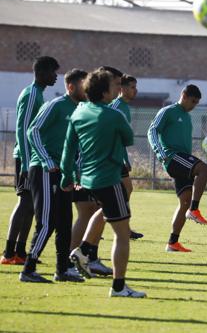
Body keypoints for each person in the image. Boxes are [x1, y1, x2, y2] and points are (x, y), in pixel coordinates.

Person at [62, 69, 145, 297]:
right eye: (114, 85)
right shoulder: (113, 115)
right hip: (109, 178)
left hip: (88, 180)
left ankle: (85, 250)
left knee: (103, 213)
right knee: (121, 232)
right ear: (104, 90)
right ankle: (118, 287)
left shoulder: (79, 111)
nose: (118, 89)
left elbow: (68, 148)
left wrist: (66, 177)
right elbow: (128, 138)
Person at [19, 68, 88, 283]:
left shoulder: (81, 110)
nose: (87, 89)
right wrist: (47, 160)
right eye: (83, 85)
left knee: (65, 222)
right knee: (46, 222)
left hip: (63, 174)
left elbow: (77, 146)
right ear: (71, 87)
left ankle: (62, 270)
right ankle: (28, 270)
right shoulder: (56, 105)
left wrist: (75, 172)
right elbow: (33, 131)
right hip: (43, 170)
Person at [1, 56, 58, 266]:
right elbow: (23, 129)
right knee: (24, 203)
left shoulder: (39, 94)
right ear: (42, 72)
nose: (56, 76)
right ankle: (8, 252)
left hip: (31, 158)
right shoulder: (32, 94)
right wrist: (25, 163)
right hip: (25, 158)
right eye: (53, 72)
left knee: (31, 205)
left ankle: (20, 252)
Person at [70, 66, 123, 277]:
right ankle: (71, 261)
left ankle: (89, 258)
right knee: (87, 213)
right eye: (116, 84)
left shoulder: (105, 108)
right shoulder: (89, 108)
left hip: (95, 171)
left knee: (96, 212)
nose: (119, 89)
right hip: (89, 171)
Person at [148, 85, 207, 252]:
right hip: (172, 157)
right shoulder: (168, 111)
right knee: (204, 170)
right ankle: (195, 208)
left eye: (197, 103)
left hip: (182, 160)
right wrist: (160, 152)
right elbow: (152, 130)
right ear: (184, 95)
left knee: (184, 201)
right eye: (193, 101)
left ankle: (172, 243)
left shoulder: (186, 116)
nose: (194, 105)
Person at [110, 74, 144, 241]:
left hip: (118, 156)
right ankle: (121, 227)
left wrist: (126, 158)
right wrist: (122, 159)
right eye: (132, 87)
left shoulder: (124, 106)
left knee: (125, 190)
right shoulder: (116, 106)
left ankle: (124, 227)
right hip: (111, 157)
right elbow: (113, 134)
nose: (135, 90)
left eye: (135, 87)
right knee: (116, 192)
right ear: (122, 89)